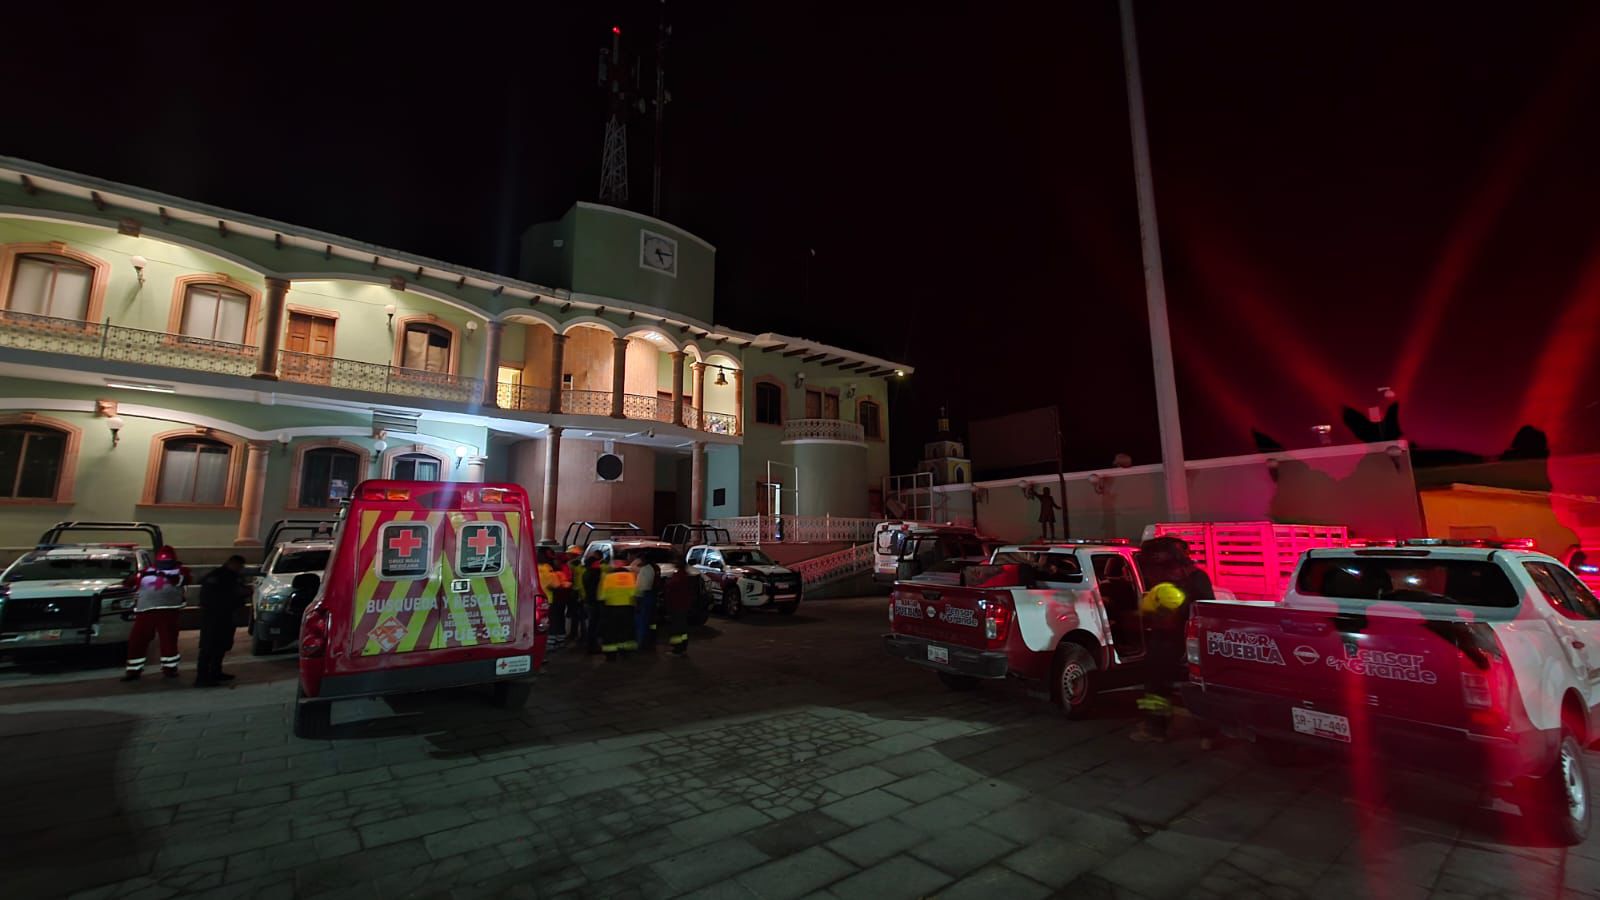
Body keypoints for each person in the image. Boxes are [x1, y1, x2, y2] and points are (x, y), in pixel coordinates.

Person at [1131, 537, 1214, 743]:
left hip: (1172, 642)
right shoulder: (1195, 578)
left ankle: (1155, 729)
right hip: (1190, 643)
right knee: (1194, 687)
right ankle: (1208, 734)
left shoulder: (1173, 583)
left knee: (1157, 683)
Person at [123, 546, 190, 681]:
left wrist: (162, 574)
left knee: (167, 640)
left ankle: (169, 668)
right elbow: (130, 583)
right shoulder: (146, 572)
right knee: (138, 640)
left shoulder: (181, 571)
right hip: (147, 610)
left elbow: (181, 580)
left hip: (167, 609)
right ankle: (134, 669)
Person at [196, 555, 249, 687]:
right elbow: (218, 594)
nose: (240, 568)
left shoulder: (230, 576)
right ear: (232, 563)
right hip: (214, 616)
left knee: (221, 645)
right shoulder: (219, 576)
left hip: (226, 615)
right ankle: (202, 677)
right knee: (209, 646)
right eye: (239, 566)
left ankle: (215, 672)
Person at [598, 557, 638, 661]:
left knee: (610, 631)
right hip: (627, 607)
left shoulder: (608, 577)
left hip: (611, 608)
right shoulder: (631, 576)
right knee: (625, 630)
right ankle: (625, 652)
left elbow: (602, 595)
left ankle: (611, 655)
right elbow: (634, 593)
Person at [662, 560, 696, 655]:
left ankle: (677, 649)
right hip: (683, 605)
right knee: (682, 628)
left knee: (677, 628)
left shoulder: (678, 576)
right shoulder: (685, 576)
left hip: (677, 606)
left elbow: (671, 588)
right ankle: (682, 647)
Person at [633, 553, 661, 651]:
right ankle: (648, 641)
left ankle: (640, 643)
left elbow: (642, 586)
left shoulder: (646, 569)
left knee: (642, 622)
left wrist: (637, 600)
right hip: (650, 596)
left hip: (644, 597)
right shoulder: (654, 568)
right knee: (648, 621)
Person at [582, 551, 605, 654]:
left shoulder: (586, 573)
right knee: (594, 625)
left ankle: (590, 645)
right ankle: (592, 646)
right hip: (594, 602)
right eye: (597, 563)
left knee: (592, 624)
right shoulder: (594, 574)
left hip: (589, 601)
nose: (599, 565)